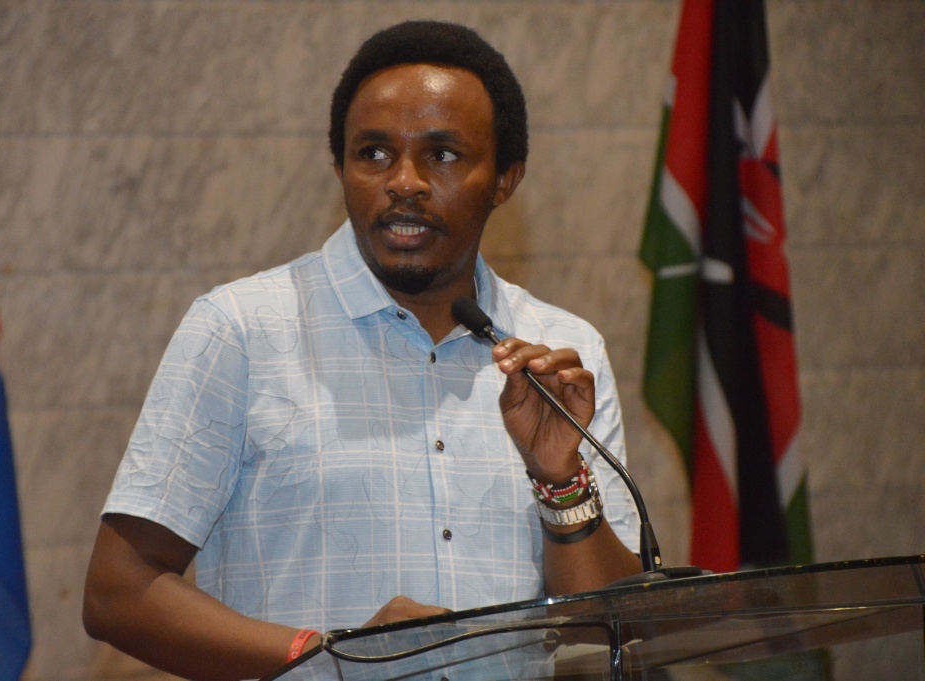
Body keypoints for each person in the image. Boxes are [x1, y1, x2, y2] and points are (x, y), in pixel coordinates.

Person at [83, 20, 642, 681]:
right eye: (374, 153)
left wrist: (558, 479)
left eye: (442, 155)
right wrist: (331, 654)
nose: (404, 181)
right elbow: (119, 591)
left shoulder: (561, 353)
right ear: (340, 168)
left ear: (505, 179)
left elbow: (607, 628)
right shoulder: (241, 331)